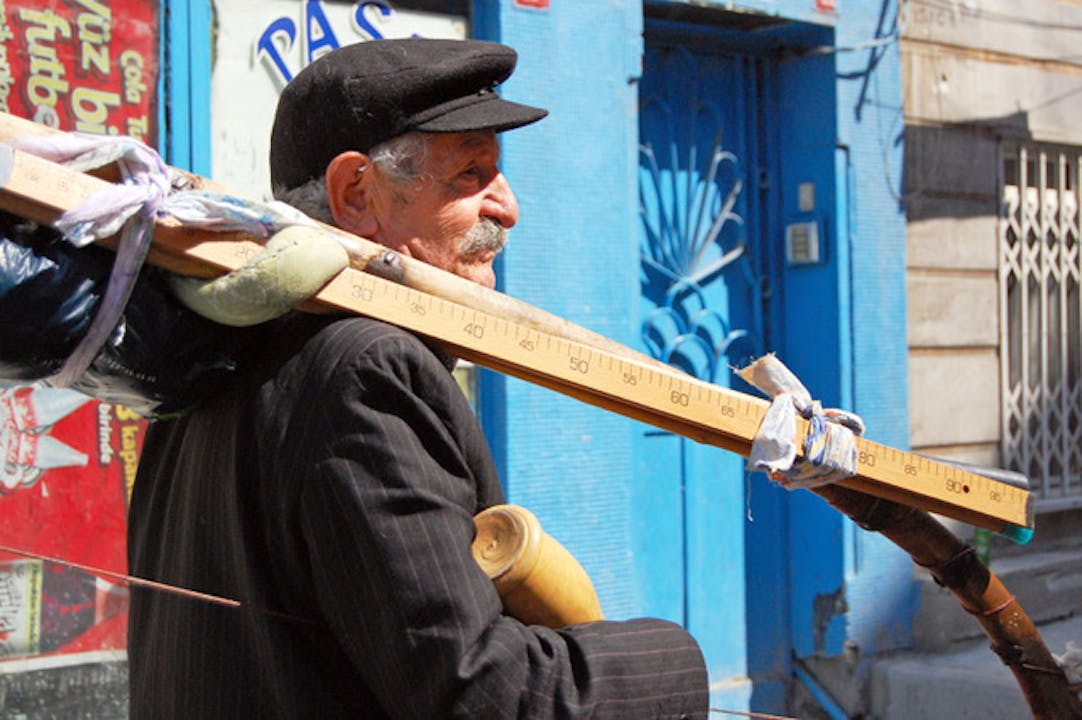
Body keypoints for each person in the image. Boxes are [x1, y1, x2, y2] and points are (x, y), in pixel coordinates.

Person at [127, 38, 709, 719]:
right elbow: (483, 694)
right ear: (356, 194)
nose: (508, 207)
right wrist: (674, 661)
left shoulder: (220, 353)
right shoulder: (366, 370)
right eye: (470, 174)